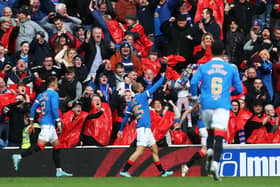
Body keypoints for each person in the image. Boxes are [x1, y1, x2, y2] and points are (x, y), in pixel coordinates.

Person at [190, 40, 243, 180]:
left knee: (210, 134)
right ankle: (215, 163)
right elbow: (240, 89)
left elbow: (194, 82)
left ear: (211, 51)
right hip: (222, 104)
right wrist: (228, 94)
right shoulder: (231, 68)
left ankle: (209, 151)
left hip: (206, 105)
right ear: (224, 52)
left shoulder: (203, 67)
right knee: (219, 136)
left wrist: (195, 98)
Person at [12, 76, 72, 177]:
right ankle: (18, 156)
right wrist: (58, 122)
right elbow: (54, 108)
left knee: (57, 147)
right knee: (39, 147)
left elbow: (33, 108)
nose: (57, 84)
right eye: (56, 82)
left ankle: (59, 170)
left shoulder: (41, 95)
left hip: (47, 124)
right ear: (52, 83)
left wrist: (31, 122)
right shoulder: (54, 94)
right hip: (48, 124)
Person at [117, 72, 173, 177]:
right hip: (143, 128)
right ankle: (124, 170)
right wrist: (163, 78)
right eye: (141, 85)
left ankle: (162, 172)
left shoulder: (131, 103)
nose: (142, 86)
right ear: (138, 89)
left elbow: (125, 118)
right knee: (140, 151)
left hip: (146, 129)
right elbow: (155, 88)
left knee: (154, 149)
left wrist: (120, 130)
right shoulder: (142, 96)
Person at [177, 102, 208, 176]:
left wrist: (180, 123)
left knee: (204, 151)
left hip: (202, 129)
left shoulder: (195, 102)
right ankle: (210, 170)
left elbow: (186, 112)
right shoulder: (208, 99)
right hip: (207, 128)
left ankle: (187, 166)